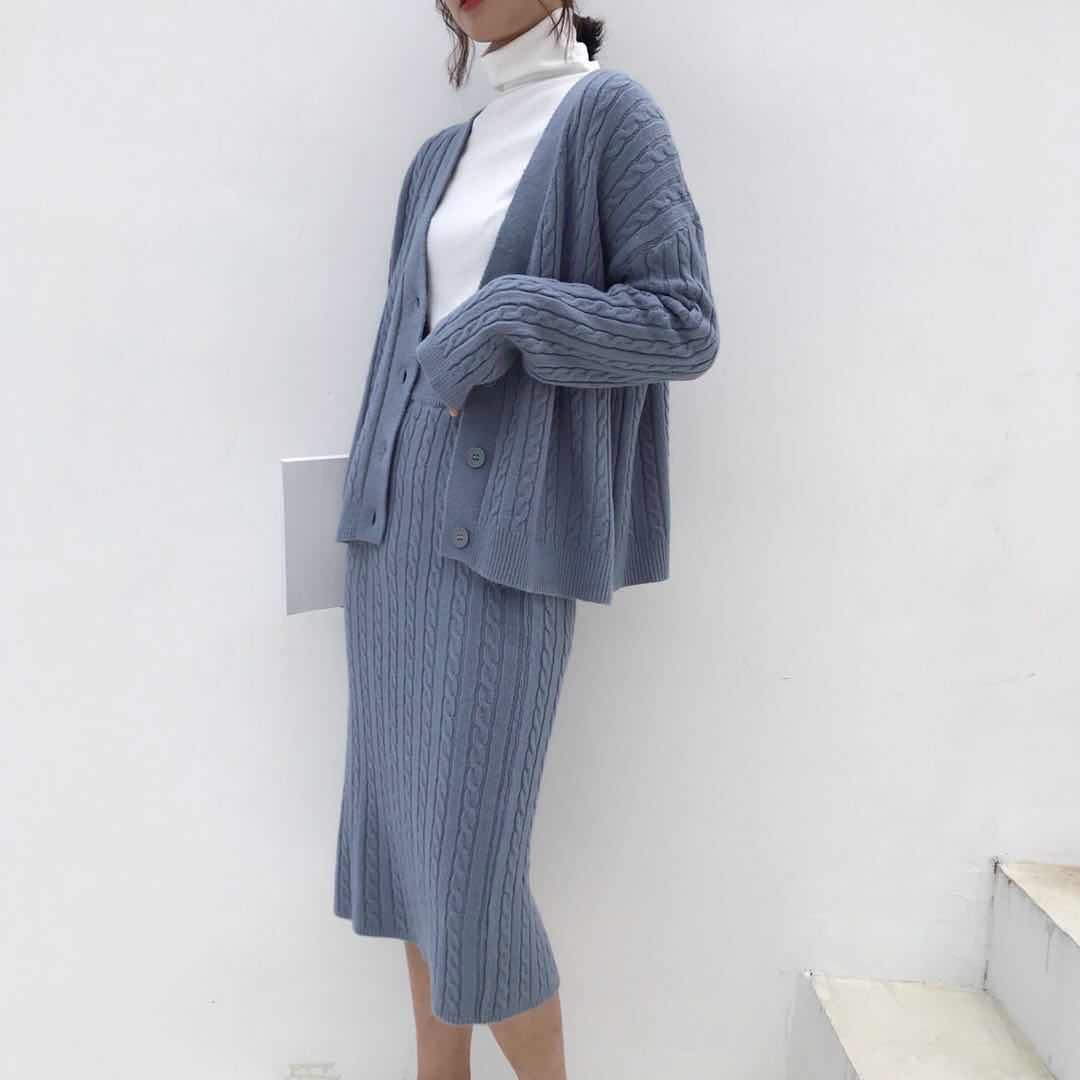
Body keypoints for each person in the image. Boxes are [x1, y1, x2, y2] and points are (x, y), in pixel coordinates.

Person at [332, 3, 720, 1077]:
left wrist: (510, 313)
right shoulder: (441, 155)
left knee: (470, 876)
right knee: (409, 862)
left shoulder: (610, 116)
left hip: (500, 542)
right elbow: (398, 356)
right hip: (394, 541)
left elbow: (683, 323)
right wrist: (361, 503)